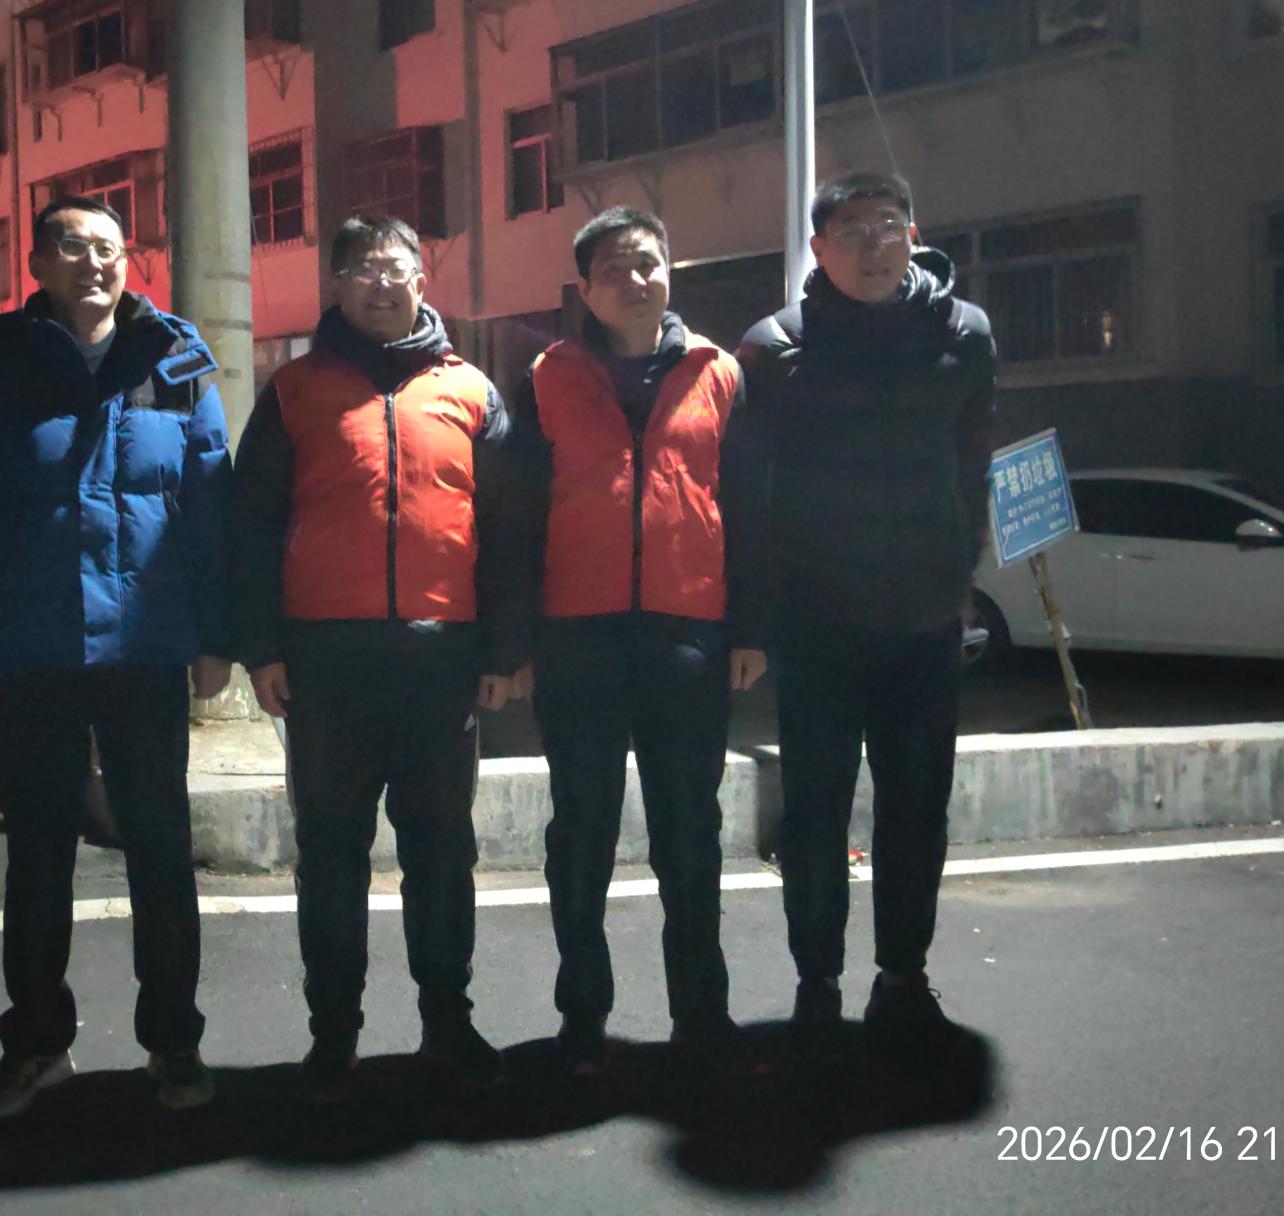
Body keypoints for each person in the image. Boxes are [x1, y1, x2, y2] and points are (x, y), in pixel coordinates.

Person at [0, 195, 234, 1118]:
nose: (94, 262)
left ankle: (173, 1041)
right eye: (72, 246)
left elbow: (212, 509)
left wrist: (217, 637)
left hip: (144, 649)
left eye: (108, 247)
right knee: (38, 855)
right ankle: (36, 1045)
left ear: (127, 261)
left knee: (161, 852)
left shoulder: (174, 359)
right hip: (31, 651)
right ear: (38, 265)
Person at [231, 214, 525, 1102]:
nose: (382, 283)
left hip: (442, 660)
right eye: (362, 269)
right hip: (327, 662)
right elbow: (251, 527)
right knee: (331, 855)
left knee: (441, 850)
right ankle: (335, 1032)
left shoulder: (470, 390)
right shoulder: (294, 391)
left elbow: (508, 533)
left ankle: (447, 1021)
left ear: (422, 279)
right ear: (336, 284)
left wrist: (504, 649)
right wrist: (261, 649)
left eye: (397, 267)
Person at [738, 172, 996, 1051]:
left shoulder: (964, 333)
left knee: (917, 809)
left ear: (913, 233)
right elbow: (750, 493)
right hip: (816, 624)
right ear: (819, 247)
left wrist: (961, 575)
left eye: (888, 225)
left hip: (923, 622)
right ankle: (817, 978)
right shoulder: (776, 347)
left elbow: (974, 461)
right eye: (851, 229)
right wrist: (758, 614)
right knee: (815, 812)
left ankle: (903, 974)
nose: (873, 244)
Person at [509, 207, 769, 1078]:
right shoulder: (545, 375)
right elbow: (515, 515)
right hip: (576, 636)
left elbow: (750, 508)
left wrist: (749, 627)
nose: (634, 280)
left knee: (689, 832)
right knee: (580, 831)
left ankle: (702, 1013)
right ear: (585, 289)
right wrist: (516, 640)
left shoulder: (718, 373)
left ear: (671, 272)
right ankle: (583, 1015)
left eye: (647, 262)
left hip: (686, 632)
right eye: (614, 269)